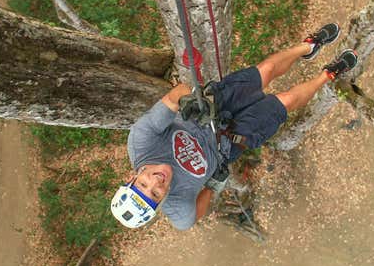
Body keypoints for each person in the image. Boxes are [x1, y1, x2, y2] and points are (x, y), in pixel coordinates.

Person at [111, 23, 357, 230]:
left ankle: (308, 46)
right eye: (155, 194)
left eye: (143, 184)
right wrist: (212, 186)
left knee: (266, 71)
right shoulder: (178, 210)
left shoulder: (141, 140)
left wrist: (189, 102)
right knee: (286, 102)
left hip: (210, 107)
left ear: (131, 177)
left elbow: (179, 92)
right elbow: (195, 215)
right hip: (228, 142)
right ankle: (328, 75)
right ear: (161, 202)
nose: (156, 182)